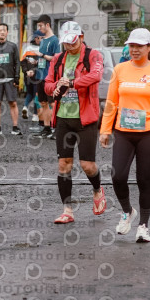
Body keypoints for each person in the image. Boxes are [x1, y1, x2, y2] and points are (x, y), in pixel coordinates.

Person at [99, 28, 150, 243]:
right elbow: (111, 102)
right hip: (123, 132)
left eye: (139, 46)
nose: (133, 50)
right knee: (117, 177)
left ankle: (143, 226)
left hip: (149, 133)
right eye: (131, 46)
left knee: (144, 179)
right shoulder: (120, 70)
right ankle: (127, 212)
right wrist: (105, 129)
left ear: (149, 48)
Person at [44, 22, 105, 224]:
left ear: (81, 36)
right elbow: (47, 84)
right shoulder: (58, 59)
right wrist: (55, 87)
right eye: (66, 43)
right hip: (63, 117)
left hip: (85, 118)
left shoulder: (92, 55)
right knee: (64, 165)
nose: (70, 46)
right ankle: (67, 210)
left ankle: (97, 190)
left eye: (73, 42)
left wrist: (71, 83)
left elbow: (96, 76)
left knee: (87, 165)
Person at [33, 14, 61, 138]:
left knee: (53, 103)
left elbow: (57, 58)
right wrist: (36, 60)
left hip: (50, 77)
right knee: (43, 102)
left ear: (48, 25)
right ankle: (46, 127)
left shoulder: (55, 40)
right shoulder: (43, 40)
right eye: (38, 26)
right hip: (40, 75)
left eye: (41, 26)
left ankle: (57, 128)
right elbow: (42, 57)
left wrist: (42, 55)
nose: (39, 28)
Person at [21, 30, 44, 122]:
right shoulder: (42, 49)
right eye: (40, 38)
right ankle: (35, 114)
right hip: (37, 76)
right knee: (36, 94)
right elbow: (41, 64)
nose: (41, 40)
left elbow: (22, 62)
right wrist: (34, 71)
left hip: (28, 76)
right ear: (36, 38)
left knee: (30, 93)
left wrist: (26, 71)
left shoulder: (27, 48)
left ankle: (25, 107)